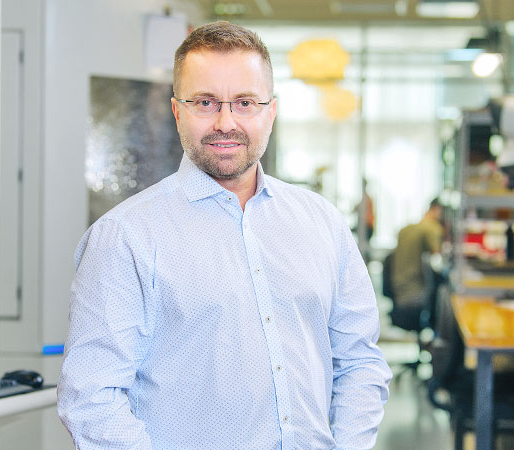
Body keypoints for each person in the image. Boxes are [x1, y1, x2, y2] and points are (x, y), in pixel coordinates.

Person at [58, 21, 391, 450]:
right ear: (178, 111)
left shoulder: (322, 224)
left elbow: (361, 363)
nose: (225, 122)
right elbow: (91, 398)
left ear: (270, 111)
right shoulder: (125, 238)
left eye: (245, 102)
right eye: (205, 102)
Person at [390, 198, 444, 330]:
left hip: (399, 292)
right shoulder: (431, 227)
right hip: (415, 294)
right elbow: (438, 260)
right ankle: (438, 342)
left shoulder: (406, 229)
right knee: (446, 294)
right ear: (437, 210)